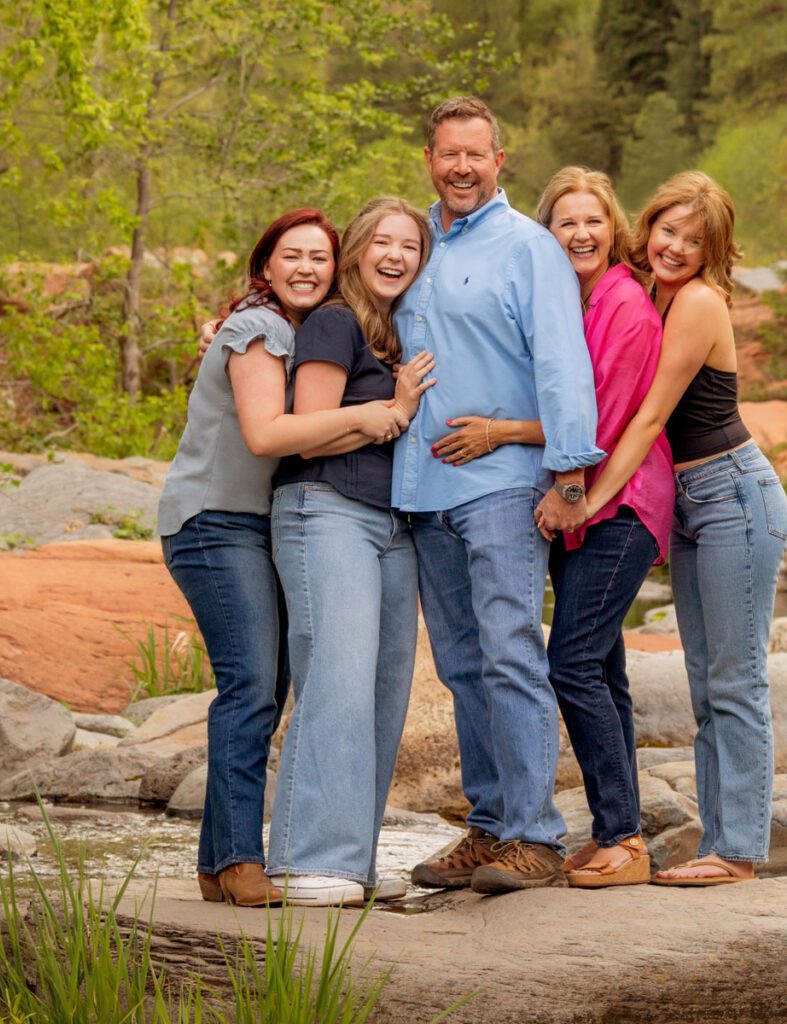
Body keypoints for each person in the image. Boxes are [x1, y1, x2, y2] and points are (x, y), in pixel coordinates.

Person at [158, 208, 411, 907]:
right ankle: (242, 860)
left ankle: (217, 863)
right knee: (250, 688)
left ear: (338, 268)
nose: (306, 267)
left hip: (256, 526)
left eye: (319, 258)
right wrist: (373, 414)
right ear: (264, 266)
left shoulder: (294, 330)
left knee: (264, 690)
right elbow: (270, 435)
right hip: (215, 523)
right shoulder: (258, 330)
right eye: (290, 256)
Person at [431, 167, 673, 887]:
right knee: (602, 667)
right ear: (546, 234)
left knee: (568, 661)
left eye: (593, 221)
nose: (581, 233)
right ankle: (616, 831)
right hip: (577, 508)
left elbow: (596, 419)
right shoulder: (567, 295)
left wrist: (502, 432)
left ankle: (623, 838)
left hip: (620, 504)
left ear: (614, 228)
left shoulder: (624, 305)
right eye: (565, 222)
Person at [396, 98, 603, 895]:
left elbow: (562, 362)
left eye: (474, 155)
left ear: (499, 160)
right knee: (461, 666)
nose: (460, 167)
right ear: (429, 158)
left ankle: (537, 836)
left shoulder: (528, 248)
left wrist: (569, 474)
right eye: (448, 154)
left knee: (511, 650)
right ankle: (487, 829)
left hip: (502, 490)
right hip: (425, 492)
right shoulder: (415, 241)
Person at [584, 172, 787, 886]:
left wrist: (591, 501)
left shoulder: (699, 302)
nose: (675, 246)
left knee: (735, 682)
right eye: (667, 229)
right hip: (693, 503)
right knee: (705, 683)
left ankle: (736, 853)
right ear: (649, 225)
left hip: (734, 493)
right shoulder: (644, 290)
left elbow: (648, 415)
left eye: (693, 240)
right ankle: (720, 842)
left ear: (714, 252)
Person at [266, 197, 435, 907]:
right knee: (335, 679)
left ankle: (352, 864)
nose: (396, 255)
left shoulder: (397, 333)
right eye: (383, 242)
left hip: (393, 525)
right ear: (359, 248)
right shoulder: (335, 323)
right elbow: (305, 431)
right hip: (325, 508)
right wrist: (392, 412)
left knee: (384, 691)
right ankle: (307, 860)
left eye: (411, 246)